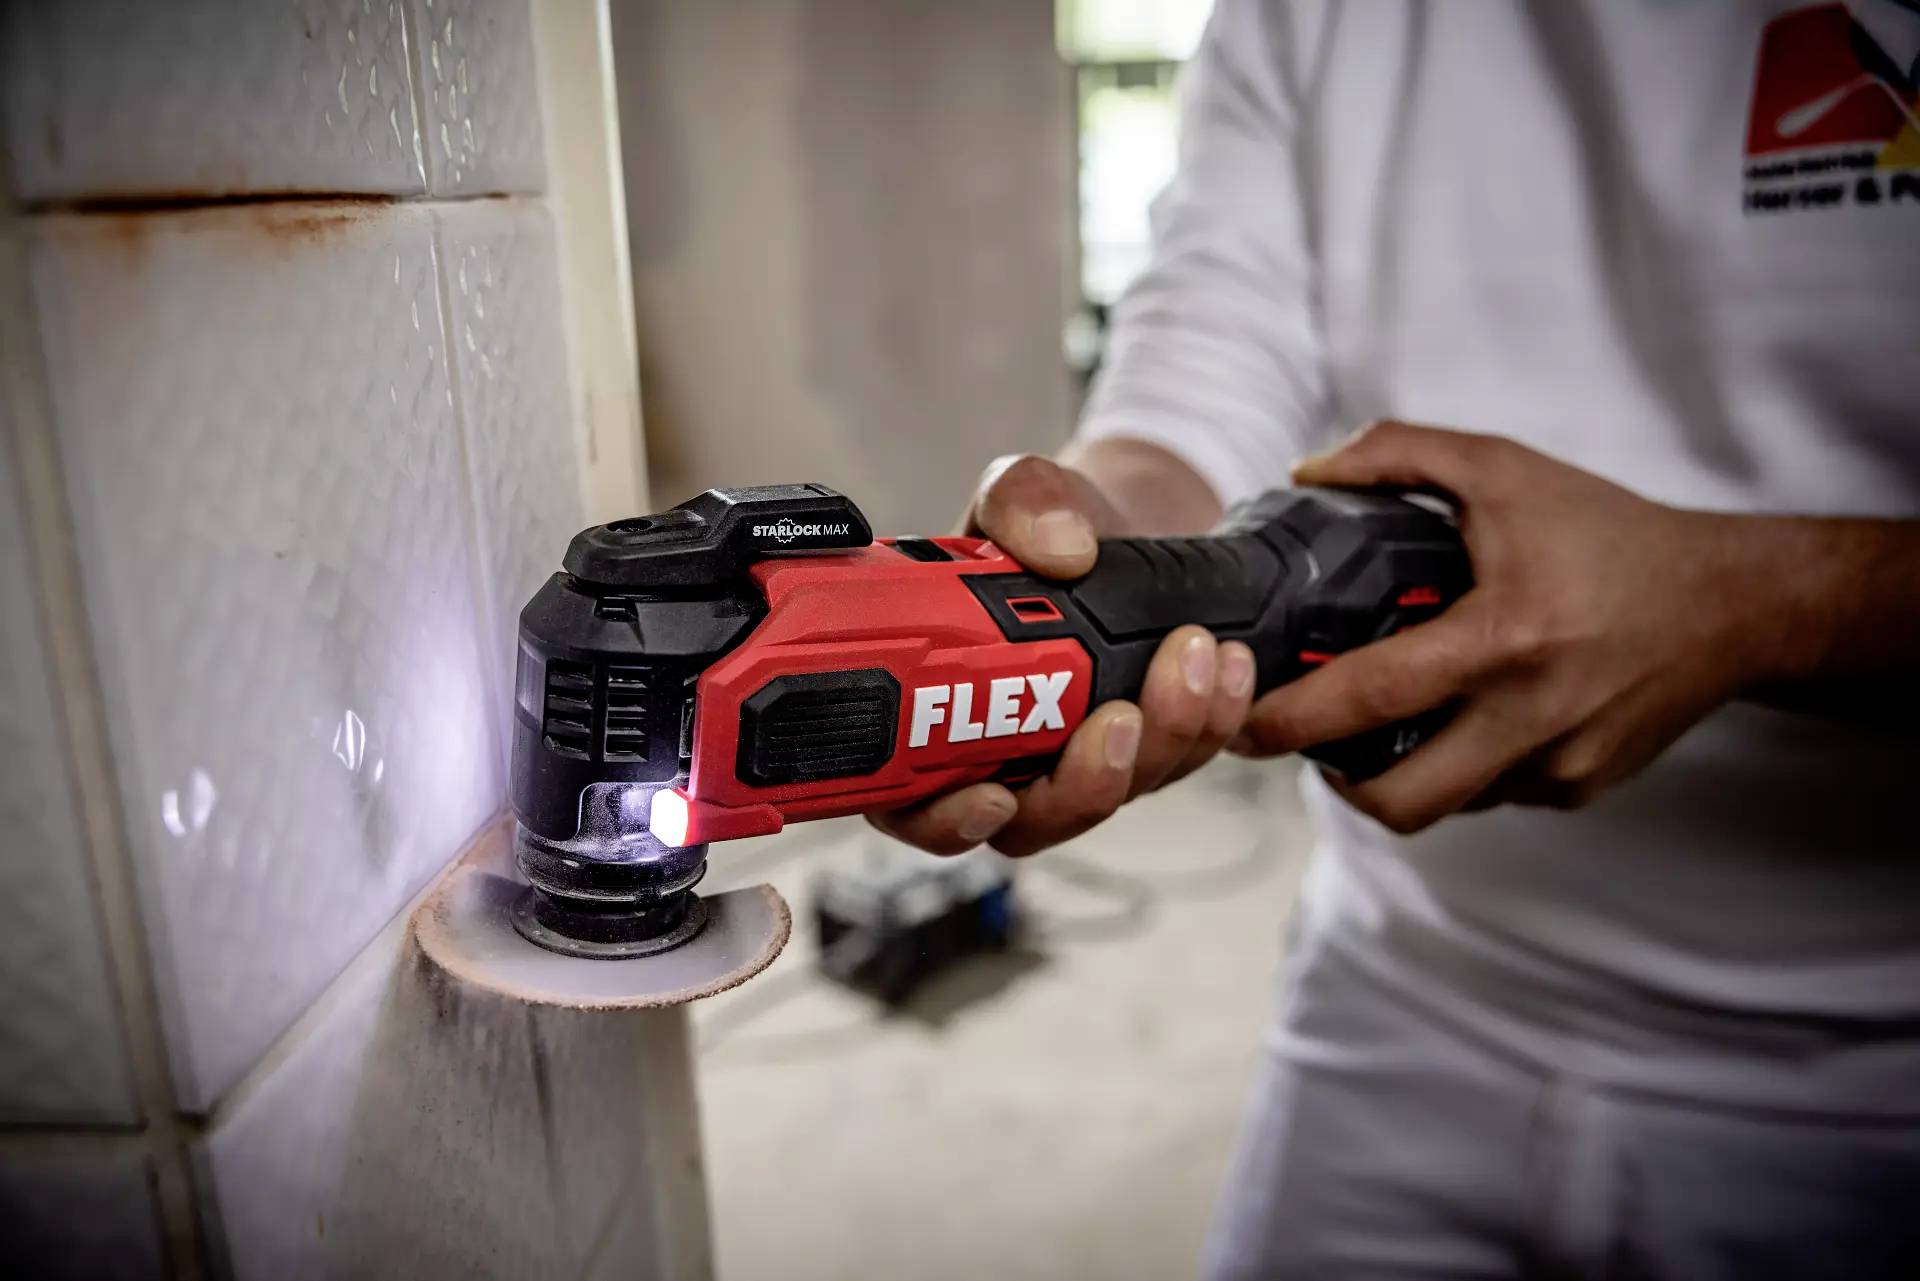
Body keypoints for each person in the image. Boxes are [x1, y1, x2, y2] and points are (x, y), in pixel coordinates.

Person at [870, 2, 1920, 1276]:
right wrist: (1099, 543)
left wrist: (1757, 602)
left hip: (1872, 1076)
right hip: (1402, 992)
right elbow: (1198, 380)